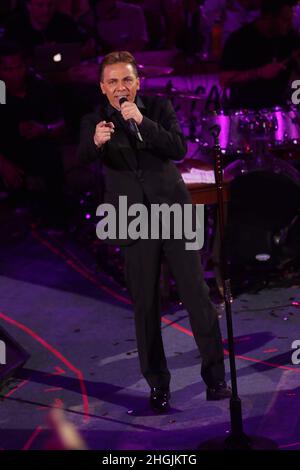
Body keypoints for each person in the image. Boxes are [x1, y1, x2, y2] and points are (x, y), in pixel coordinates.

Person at [78, 51, 231, 413]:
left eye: (127, 80)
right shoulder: (94, 120)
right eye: (113, 81)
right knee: (145, 305)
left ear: (138, 83)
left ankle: (216, 378)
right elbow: (82, 158)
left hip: (174, 211)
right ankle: (158, 386)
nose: (121, 87)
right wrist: (96, 143)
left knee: (197, 296)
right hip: (131, 219)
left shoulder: (158, 109)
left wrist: (142, 121)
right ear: (103, 87)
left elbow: (177, 149)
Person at [0, 40, 66, 229]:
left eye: (18, 67)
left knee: (49, 155)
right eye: (8, 69)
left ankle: (55, 220)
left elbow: (60, 124)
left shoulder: (38, 86)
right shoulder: (0, 90)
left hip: (38, 147)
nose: (14, 74)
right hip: (6, 152)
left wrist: (43, 128)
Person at [220, 0, 300, 109]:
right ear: (269, 18)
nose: (290, 24)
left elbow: (297, 77)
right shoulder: (240, 39)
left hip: (279, 113)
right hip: (245, 112)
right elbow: (225, 79)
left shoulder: (290, 38)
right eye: (285, 20)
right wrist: (259, 73)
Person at [4, 0, 93, 58]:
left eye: (50, 5)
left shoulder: (65, 22)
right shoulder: (15, 25)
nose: (46, 10)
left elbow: (80, 47)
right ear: (29, 6)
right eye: (40, 5)